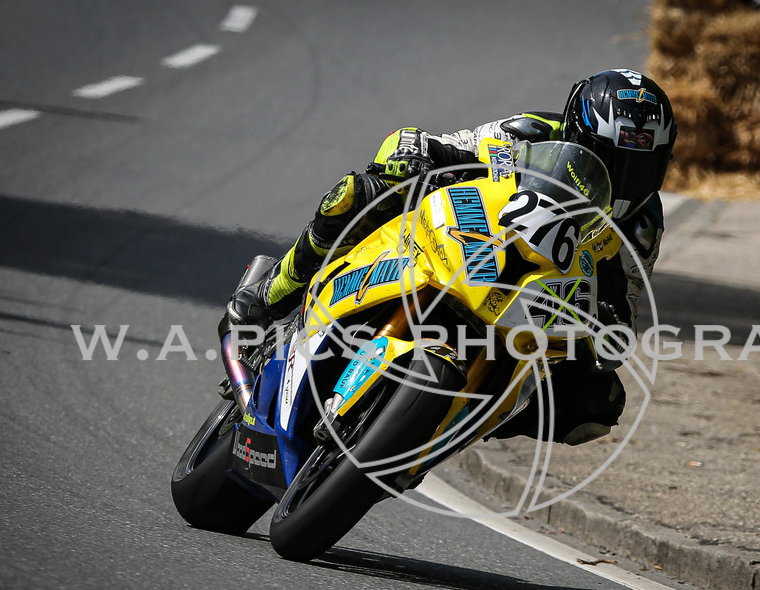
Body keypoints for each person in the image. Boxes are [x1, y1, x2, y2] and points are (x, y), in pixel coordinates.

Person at [227, 68, 677, 445]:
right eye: (611, 157)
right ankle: (273, 292)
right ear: (580, 134)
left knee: (596, 403)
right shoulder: (531, 134)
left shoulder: (643, 223)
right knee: (360, 194)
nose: (623, 177)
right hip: (475, 238)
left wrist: (609, 327)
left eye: (641, 163)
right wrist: (416, 153)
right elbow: (449, 144)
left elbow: (626, 299)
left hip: (540, 297)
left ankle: (447, 427)